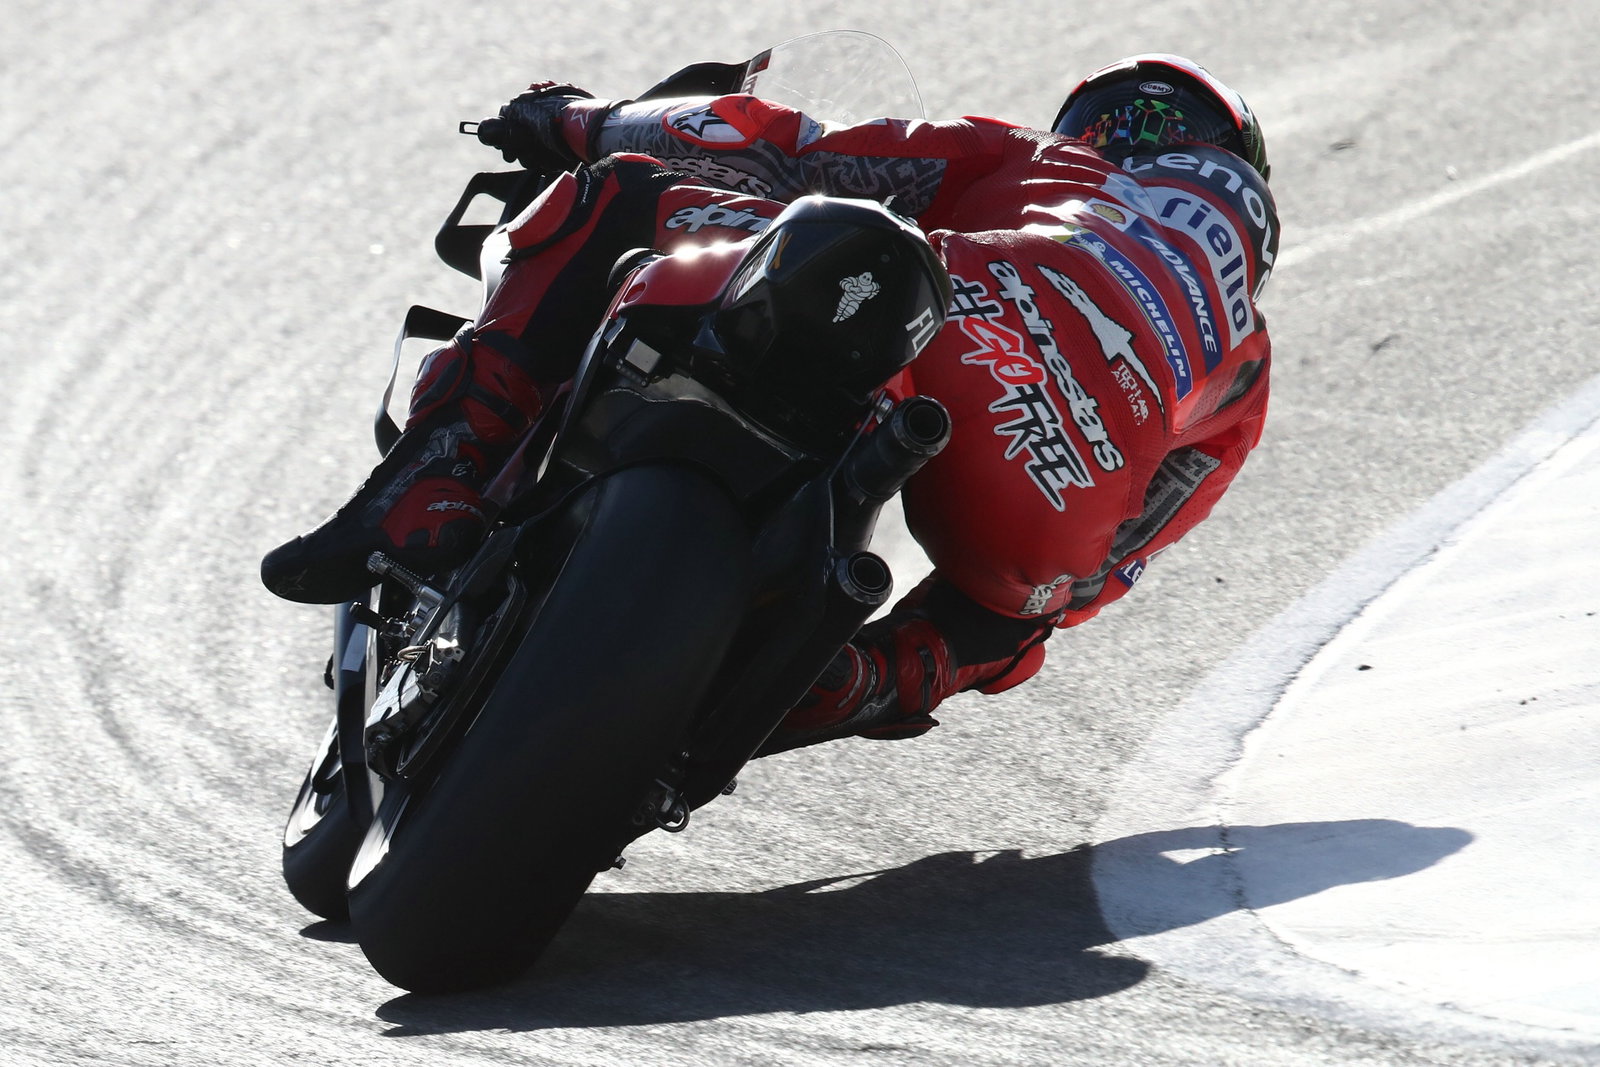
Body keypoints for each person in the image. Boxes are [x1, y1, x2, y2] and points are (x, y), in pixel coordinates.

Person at [261, 53, 1279, 755]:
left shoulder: (1051, 162)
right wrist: (948, 645)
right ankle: (833, 679)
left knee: (615, 193)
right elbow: (1123, 553)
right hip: (1053, 503)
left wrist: (571, 120)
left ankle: (438, 477)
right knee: (1018, 602)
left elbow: (784, 144)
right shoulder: (1243, 370)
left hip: (959, 327)